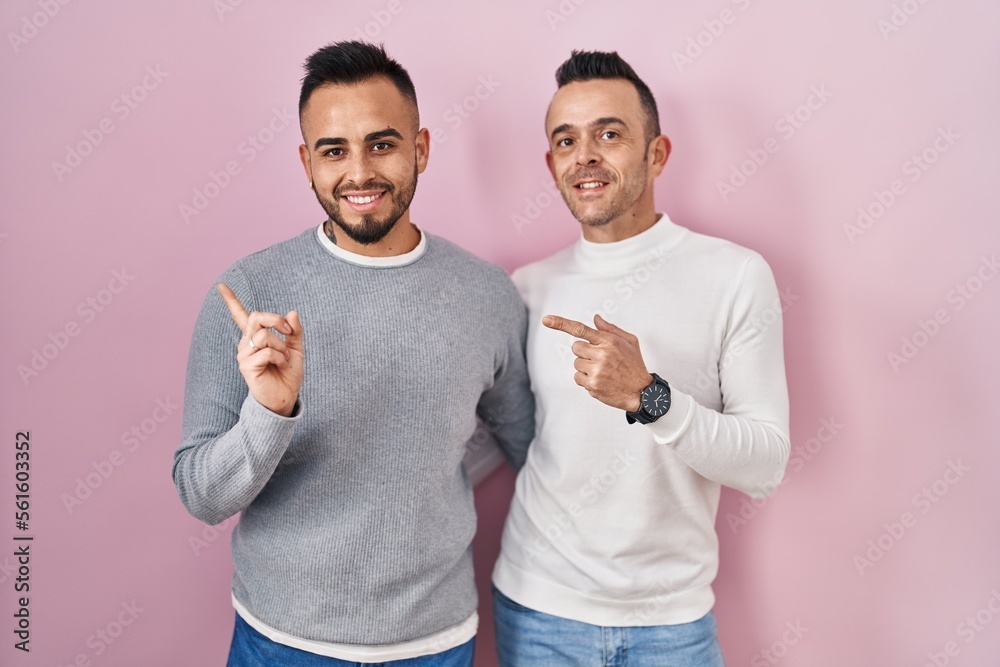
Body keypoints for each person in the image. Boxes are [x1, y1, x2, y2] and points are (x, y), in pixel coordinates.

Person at [172, 40, 534, 667]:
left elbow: (528, 447)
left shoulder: (486, 295)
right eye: (334, 150)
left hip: (436, 645)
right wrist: (269, 414)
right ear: (307, 162)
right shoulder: (249, 294)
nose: (359, 172)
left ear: (419, 149)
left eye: (382, 144)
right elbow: (202, 497)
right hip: (280, 643)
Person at [491, 50, 790, 666]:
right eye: (566, 140)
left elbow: (764, 465)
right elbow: (499, 436)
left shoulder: (734, 276)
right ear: (552, 166)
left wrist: (649, 398)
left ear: (657, 153)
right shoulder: (525, 289)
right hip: (539, 610)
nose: (586, 155)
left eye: (610, 133)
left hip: (672, 624)